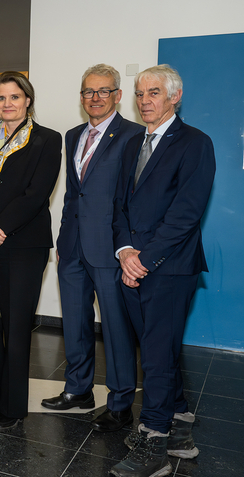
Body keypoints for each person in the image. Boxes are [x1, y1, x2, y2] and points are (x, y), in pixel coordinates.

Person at [109, 65, 214, 477]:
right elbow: (119, 206)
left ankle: (152, 445)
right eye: (140, 93)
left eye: (154, 92)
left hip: (169, 269)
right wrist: (124, 252)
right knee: (160, 350)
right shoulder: (135, 141)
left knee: (154, 357)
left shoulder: (195, 143)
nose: (145, 100)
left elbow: (186, 213)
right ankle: (181, 429)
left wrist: (144, 260)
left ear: (175, 96)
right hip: (133, 265)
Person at [42, 64, 143, 434]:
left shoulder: (133, 134)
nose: (95, 98)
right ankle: (78, 390)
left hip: (111, 248)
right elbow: (73, 192)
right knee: (75, 323)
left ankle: (119, 404)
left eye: (103, 91)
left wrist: (128, 247)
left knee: (116, 328)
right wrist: (62, 239)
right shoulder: (73, 135)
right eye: (88, 92)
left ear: (118, 95)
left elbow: (133, 198)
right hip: (72, 246)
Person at [0, 71, 61, 431]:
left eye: (14, 97)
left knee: (16, 326)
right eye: (1, 98)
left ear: (27, 99)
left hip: (23, 246)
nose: (7, 104)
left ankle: (13, 407)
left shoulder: (48, 140)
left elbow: (36, 195)